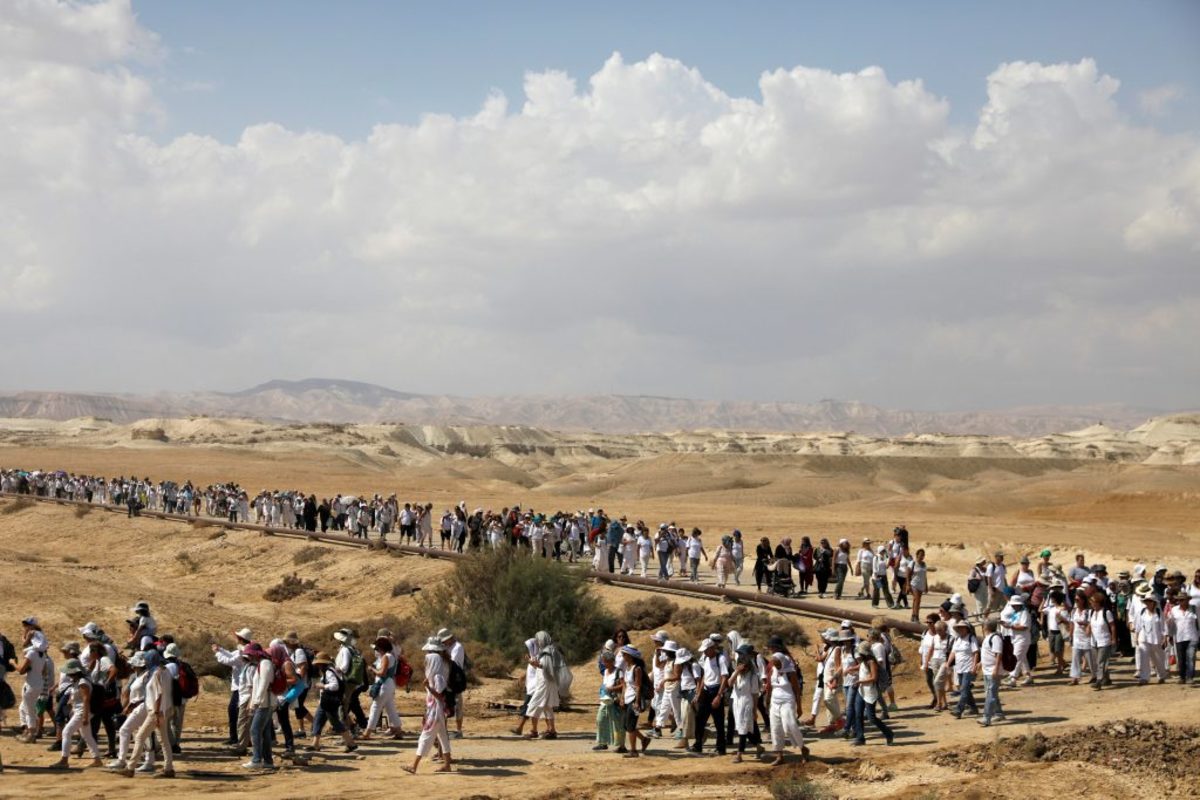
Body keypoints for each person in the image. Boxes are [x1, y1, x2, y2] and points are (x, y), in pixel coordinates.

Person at [121, 650, 175, 778]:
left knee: (140, 737)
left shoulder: (157, 673)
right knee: (164, 740)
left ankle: (130, 767)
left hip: (155, 711)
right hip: (164, 710)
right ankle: (168, 769)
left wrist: (156, 713)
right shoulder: (165, 671)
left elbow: (158, 694)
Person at [403, 637, 452, 774]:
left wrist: (429, 688)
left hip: (436, 710)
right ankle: (447, 764)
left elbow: (440, 695)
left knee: (425, 735)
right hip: (437, 709)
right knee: (442, 737)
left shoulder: (437, 677)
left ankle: (414, 765)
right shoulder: (438, 673)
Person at [51, 658, 101, 769]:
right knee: (87, 736)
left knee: (66, 732)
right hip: (79, 711)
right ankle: (97, 759)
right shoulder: (77, 682)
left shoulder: (83, 682)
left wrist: (85, 716)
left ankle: (64, 760)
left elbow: (86, 700)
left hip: (82, 712)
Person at [764, 636, 805, 766]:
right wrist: (767, 699)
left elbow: (796, 689)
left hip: (787, 699)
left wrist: (799, 706)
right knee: (775, 728)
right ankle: (779, 755)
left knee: (790, 725)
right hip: (775, 700)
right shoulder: (772, 668)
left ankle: (803, 749)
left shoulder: (789, 669)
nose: (774, 663)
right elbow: (769, 685)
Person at [305, 652, 356, 753]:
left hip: (329, 701)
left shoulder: (328, 672)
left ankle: (351, 743)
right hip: (325, 701)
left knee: (335, 722)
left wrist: (322, 686)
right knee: (318, 720)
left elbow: (334, 686)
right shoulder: (331, 670)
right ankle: (315, 744)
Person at [690, 638, 728, 755]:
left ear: (712, 648)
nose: (704, 652)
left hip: (716, 690)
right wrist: (698, 694)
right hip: (706, 691)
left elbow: (724, 677)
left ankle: (721, 748)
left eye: (706, 650)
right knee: (700, 719)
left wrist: (719, 696)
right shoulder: (705, 659)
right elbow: (704, 677)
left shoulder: (720, 659)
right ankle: (698, 745)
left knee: (718, 722)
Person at [850, 642, 893, 746]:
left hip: (870, 692)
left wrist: (859, 681)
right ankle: (860, 738)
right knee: (858, 714)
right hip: (862, 691)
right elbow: (861, 667)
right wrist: (850, 669)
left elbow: (874, 678)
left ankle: (888, 733)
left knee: (871, 718)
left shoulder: (871, 661)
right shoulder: (864, 661)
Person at [613, 645, 651, 758]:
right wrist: (622, 698)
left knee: (630, 725)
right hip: (628, 698)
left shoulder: (637, 669)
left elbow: (638, 686)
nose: (623, 656)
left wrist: (637, 702)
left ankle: (633, 750)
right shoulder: (628, 667)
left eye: (624, 654)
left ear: (630, 656)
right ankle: (644, 739)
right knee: (626, 725)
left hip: (634, 699)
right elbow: (625, 685)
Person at [728, 641, 762, 763]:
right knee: (743, 728)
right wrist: (736, 671)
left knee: (743, 729)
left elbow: (755, 694)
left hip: (747, 702)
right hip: (737, 702)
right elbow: (729, 683)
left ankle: (739, 754)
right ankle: (758, 745)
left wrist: (754, 710)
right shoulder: (737, 674)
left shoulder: (752, 676)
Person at [524, 631, 561, 740]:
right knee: (547, 707)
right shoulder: (550, 651)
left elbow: (544, 667)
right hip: (546, 682)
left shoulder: (547, 652)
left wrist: (531, 662)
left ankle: (534, 731)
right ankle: (552, 730)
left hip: (544, 684)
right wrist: (534, 664)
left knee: (534, 705)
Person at [363, 637, 401, 740]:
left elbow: (382, 673)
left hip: (383, 685)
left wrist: (372, 669)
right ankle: (398, 731)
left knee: (375, 708)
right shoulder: (392, 656)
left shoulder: (385, 657)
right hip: (389, 684)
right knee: (391, 709)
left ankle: (367, 733)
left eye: (377, 648)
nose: (376, 650)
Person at [1133, 591, 1168, 684]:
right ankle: (1144, 678)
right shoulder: (1141, 612)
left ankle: (1161, 675)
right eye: (1146, 601)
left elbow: (1163, 626)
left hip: (1156, 638)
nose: (1148, 603)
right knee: (1144, 657)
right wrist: (1136, 637)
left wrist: (1165, 637)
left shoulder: (1159, 613)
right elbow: (1138, 626)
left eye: (1150, 601)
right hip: (1143, 638)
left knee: (1158, 659)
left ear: (1154, 602)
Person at [948, 619, 979, 718]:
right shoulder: (957, 639)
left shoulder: (971, 638)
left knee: (964, 689)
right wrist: (948, 663)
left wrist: (974, 667)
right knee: (965, 690)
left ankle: (958, 710)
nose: (960, 629)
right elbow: (953, 652)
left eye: (962, 628)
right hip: (959, 668)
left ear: (967, 629)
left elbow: (976, 653)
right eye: (959, 628)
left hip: (968, 668)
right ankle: (974, 708)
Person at [978, 618, 1005, 727]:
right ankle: (998, 713)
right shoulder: (988, 638)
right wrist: (980, 663)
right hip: (987, 670)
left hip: (993, 670)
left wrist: (996, 669)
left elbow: (998, 654)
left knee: (990, 694)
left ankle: (986, 717)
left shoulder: (995, 638)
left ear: (986, 627)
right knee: (991, 693)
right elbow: (987, 653)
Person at [593, 651, 621, 751]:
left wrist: (612, 688)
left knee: (617, 723)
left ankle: (621, 745)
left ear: (611, 661)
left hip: (614, 701)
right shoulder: (605, 671)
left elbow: (623, 685)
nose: (604, 663)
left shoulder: (618, 671)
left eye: (606, 661)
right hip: (605, 700)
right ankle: (602, 742)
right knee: (600, 720)